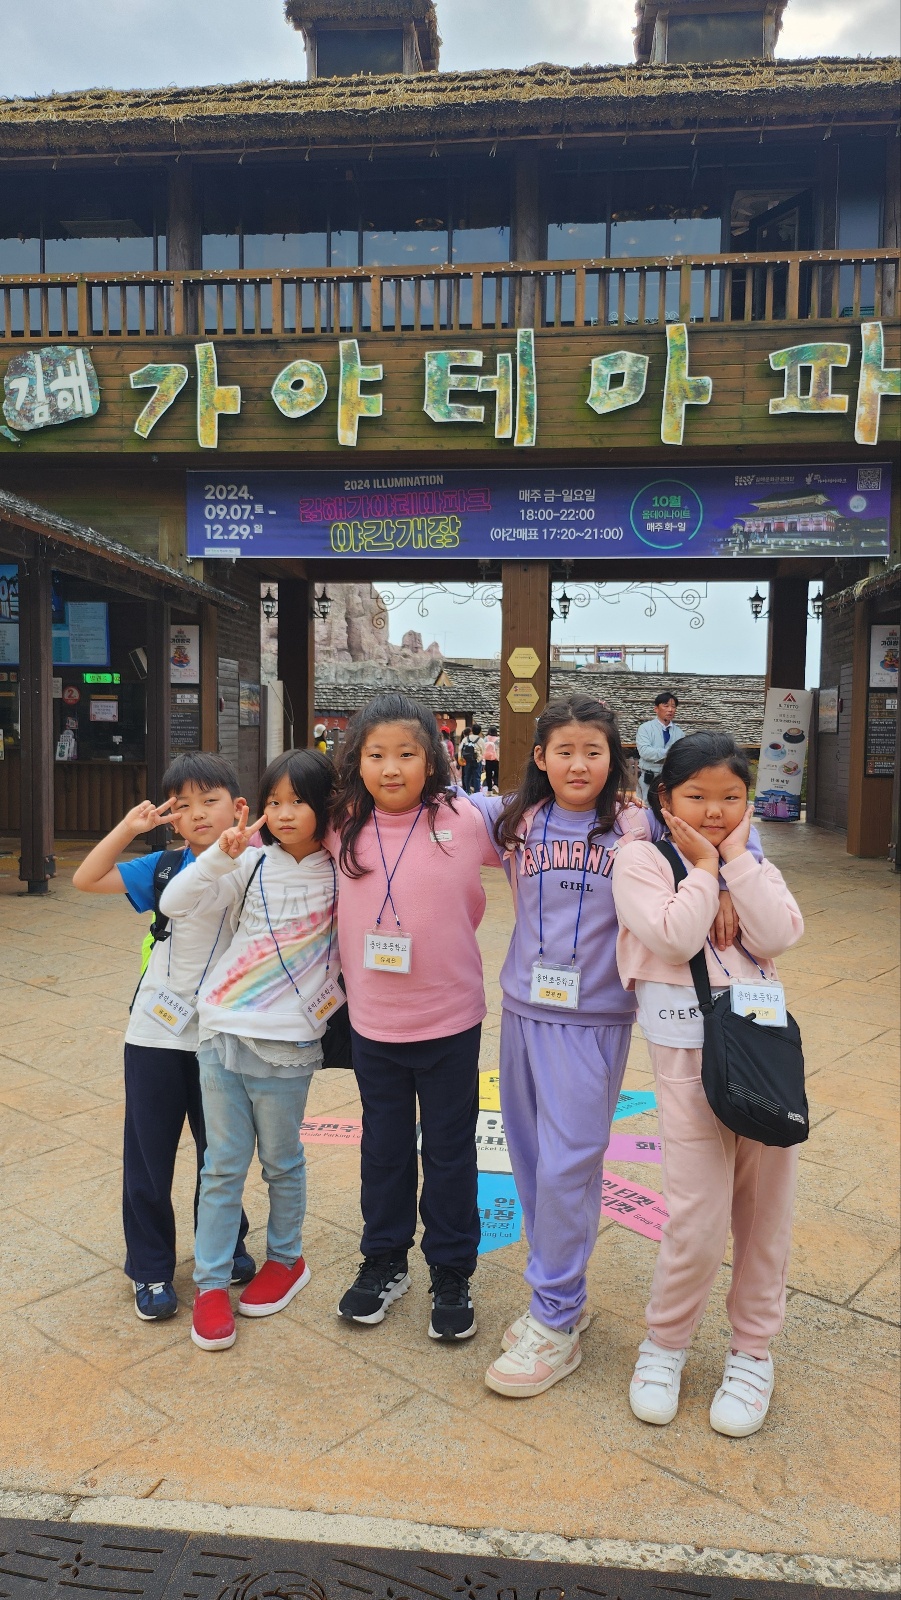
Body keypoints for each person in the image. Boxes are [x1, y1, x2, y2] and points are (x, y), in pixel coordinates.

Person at [456, 698, 759, 1399]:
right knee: (532, 1165)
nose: (578, 765)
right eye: (563, 751)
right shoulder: (515, 819)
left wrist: (722, 882)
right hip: (523, 1009)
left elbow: (724, 826)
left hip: (594, 1018)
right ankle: (559, 1295)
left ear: (614, 757)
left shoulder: (636, 822)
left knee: (568, 1166)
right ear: (539, 757)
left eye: (593, 751)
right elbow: (425, 808)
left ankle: (555, 1320)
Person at [612, 731, 803, 1438]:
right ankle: (665, 1343)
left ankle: (752, 1350)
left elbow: (778, 935)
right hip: (687, 1053)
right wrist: (702, 872)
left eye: (731, 797)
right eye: (697, 796)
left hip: (761, 1050)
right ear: (664, 797)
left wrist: (735, 868)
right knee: (696, 1215)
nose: (716, 811)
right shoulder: (640, 858)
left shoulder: (752, 860)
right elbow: (672, 936)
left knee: (764, 1210)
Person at [327, 693, 499, 1341]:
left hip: (451, 1021)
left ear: (432, 760)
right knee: (384, 1148)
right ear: (357, 761)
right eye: (376, 755)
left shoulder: (465, 817)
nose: (391, 767)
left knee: (451, 1152)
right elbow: (269, 832)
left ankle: (451, 1270)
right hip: (373, 1024)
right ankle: (384, 1259)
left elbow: (542, 829)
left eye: (406, 754)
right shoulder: (339, 822)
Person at [158, 749, 339, 1352]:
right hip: (220, 1032)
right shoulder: (250, 861)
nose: (284, 814)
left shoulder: (345, 869)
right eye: (274, 802)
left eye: (298, 802)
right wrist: (219, 854)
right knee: (222, 1166)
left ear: (325, 807)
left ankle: (286, 1259)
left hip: (288, 1039)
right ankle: (211, 1284)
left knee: (282, 1162)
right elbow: (173, 903)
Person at [72, 753, 253, 1323]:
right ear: (171, 816)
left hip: (222, 1036)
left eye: (210, 801)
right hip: (156, 1034)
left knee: (220, 1152)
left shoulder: (259, 864)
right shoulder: (163, 867)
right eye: (185, 805)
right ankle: (150, 1266)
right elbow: (85, 878)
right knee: (149, 1156)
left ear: (236, 807)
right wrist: (129, 829)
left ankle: (227, 1243)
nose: (198, 814)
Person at [635, 692, 685, 802]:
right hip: (648, 778)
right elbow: (644, 752)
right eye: (666, 706)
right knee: (645, 806)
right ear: (656, 709)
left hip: (669, 779)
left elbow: (681, 756)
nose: (670, 710)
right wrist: (670, 753)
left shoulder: (680, 733)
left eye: (673, 706)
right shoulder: (645, 728)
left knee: (666, 806)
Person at [459, 726, 480, 794]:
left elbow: (460, 748)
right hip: (476, 759)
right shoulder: (479, 739)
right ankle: (476, 792)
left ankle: (467, 790)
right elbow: (483, 751)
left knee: (467, 775)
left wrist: (460, 758)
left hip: (466, 759)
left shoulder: (465, 739)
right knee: (476, 776)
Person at [483, 727, 500, 794]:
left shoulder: (486, 738)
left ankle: (489, 789)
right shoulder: (498, 739)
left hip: (487, 759)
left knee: (488, 774)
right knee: (496, 773)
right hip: (496, 758)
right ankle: (495, 785)